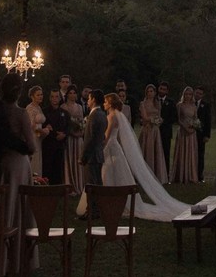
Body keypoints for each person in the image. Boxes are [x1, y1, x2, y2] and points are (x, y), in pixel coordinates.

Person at [75, 92, 191, 222]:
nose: (104, 104)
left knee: (105, 175)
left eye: (106, 102)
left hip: (110, 148)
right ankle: (104, 204)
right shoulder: (114, 115)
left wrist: (96, 147)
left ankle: (108, 204)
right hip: (113, 147)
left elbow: (106, 138)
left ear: (111, 103)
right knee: (110, 175)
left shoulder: (112, 117)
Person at [0, 73, 38, 275]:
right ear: (19, 92)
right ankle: (18, 256)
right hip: (19, 164)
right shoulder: (21, 113)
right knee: (19, 207)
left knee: (3, 206)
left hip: (1, 162)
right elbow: (31, 146)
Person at [78, 89, 107, 209]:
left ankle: (92, 210)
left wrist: (83, 157)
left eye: (89, 99)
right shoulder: (103, 114)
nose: (88, 101)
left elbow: (89, 139)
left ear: (93, 99)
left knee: (91, 184)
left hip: (91, 156)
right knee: (97, 183)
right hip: (98, 154)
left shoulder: (94, 115)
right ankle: (96, 208)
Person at [137, 84, 168, 182]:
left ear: (155, 93)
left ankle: (156, 174)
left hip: (155, 130)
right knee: (147, 150)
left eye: (152, 91)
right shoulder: (143, 103)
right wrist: (153, 120)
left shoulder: (157, 103)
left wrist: (159, 121)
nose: (150, 93)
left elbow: (159, 116)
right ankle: (145, 175)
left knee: (156, 151)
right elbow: (145, 118)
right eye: (148, 91)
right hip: (147, 130)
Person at [170, 86, 200, 184]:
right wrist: (185, 127)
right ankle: (181, 175)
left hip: (191, 133)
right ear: (184, 94)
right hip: (183, 131)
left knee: (190, 152)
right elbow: (178, 119)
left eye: (190, 94)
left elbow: (196, 119)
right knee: (182, 152)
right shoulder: (180, 105)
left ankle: (190, 175)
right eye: (186, 94)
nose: (188, 96)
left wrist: (194, 127)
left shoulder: (194, 106)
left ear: (192, 95)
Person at [41, 88, 70, 186]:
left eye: (57, 96)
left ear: (60, 98)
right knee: (47, 169)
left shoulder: (65, 113)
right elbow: (44, 126)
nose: (54, 99)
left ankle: (57, 190)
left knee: (58, 170)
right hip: (48, 145)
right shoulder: (44, 112)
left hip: (60, 146)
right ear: (49, 98)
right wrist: (55, 135)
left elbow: (68, 127)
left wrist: (64, 134)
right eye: (52, 96)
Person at [62, 85, 86, 195]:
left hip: (78, 137)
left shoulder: (80, 107)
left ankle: (79, 183)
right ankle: (69, 183)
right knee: (69, 159)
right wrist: (71, 132)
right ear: (67, 94)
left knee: (78, 159)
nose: (72, 95)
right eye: (70, 93)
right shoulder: (63, 107)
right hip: (69, 137)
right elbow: (64, 124)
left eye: (74, 93)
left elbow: (81, 121)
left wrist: (80, 130)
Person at [25, 84, 48, 177]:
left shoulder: (38, 107)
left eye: (41, 94)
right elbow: (31, 125)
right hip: (33, 137)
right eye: (38, 95)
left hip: (39, 138)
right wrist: (44, 131)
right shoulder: (30, 108)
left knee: (38, 160)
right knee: (34, 159)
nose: (40, 97)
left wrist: (46, 128)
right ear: (32, 96)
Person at [158, 81, 177, 173]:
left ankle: (166, 174)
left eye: (164, 89)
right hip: (155, 131)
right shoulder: (154, 100)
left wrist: (163, 121)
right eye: (160, 88)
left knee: (166, 153)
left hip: (166, 132)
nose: (162, 91)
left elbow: (174, 117)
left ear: (167, 91)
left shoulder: (171, 102)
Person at [195, 86, 212, 181]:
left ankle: (200, 175)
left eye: (200, 94)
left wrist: (207, 135)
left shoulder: (206, 105)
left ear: (203, 95)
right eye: (197, 93)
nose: (198, 95)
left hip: (201, 135)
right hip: (190, 133)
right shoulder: (190, 103)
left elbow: (208, 121)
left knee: (200, 155)